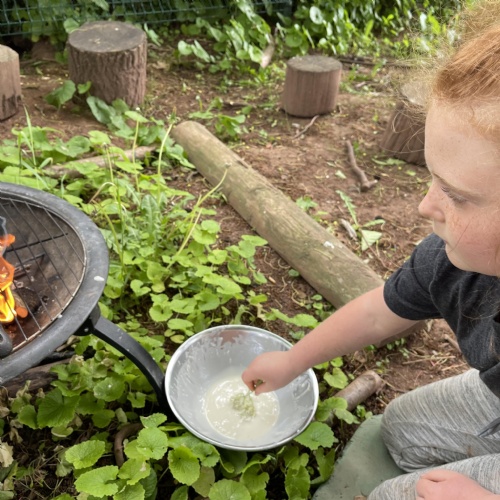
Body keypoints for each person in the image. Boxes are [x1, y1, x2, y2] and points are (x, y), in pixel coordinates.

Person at [242, 4, 500, 499]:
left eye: (456, 194)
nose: (425, 206)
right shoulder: (449, 263)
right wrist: (292, 361)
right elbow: (378, 313)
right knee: (399, 429)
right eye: (432, 178)